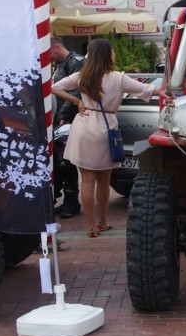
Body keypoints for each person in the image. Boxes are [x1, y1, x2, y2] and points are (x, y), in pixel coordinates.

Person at [52, 39, 158, 238]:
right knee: (103, 181)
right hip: (105, 127)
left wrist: (77, 101)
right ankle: (103, 221)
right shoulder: (118, 78)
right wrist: (174, 89)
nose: (115, 55)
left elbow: (55, 87)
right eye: (113, 52)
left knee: (86, 181)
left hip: (83, 126)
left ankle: (91, 226)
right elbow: (149, 90)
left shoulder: (82, 75)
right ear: (107, 55)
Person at [50, 36, 86, 218]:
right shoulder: (60, 64)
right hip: (58, 119)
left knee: (67, 161)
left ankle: (72, 201)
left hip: (69, 119)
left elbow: (76, 91)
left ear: (56, 47)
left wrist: (63, 115)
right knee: (59, 160)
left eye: (50, 53)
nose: (49, 57)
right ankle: (66, 199)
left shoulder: (76, 62)